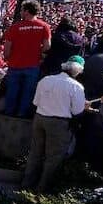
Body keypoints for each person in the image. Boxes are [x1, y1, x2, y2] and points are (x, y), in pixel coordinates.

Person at [22, 56, 86, 192]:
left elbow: (36, 102)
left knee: (35, 153)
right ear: (78, 71)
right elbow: (77, 111)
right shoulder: (76, 87)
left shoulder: (45, 80)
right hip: (59, 123)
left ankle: (26, 184)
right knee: (53, 158)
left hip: (40, 118)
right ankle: (42, 189)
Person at [3, 1, 52, 117]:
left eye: (22, 10)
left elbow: (7, 48)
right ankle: (21, 115)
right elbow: (47, 46)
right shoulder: (44, 26)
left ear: (26, 11)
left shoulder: (15, 27)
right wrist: (38, 54)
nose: (20, 12)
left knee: (12, 91)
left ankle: (9, 115)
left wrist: (7, 57)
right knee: (28, 92)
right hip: (33, 65)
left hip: (15, 65)